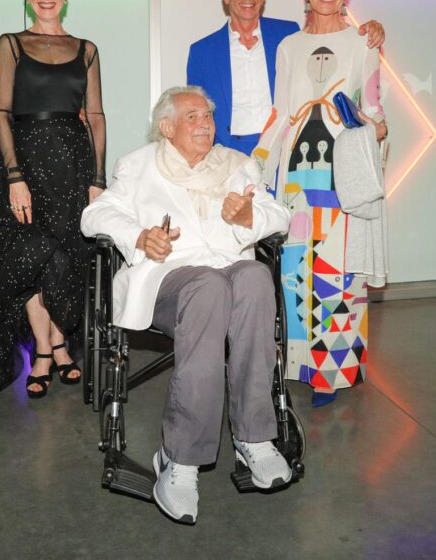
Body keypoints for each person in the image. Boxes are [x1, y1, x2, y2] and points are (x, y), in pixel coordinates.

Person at [81, 86, 291, 525]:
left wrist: (249, 218)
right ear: (167, 127)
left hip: (227, 272)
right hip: (168, 280)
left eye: (209, 117)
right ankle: (179, 459)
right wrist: (139, 237)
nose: (205, 124)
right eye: (192, 117)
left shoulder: (237, 165)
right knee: (209, 285)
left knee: (253, 276)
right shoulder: (139, 166)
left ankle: (254, 437)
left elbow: (279, 215)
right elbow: (95, 215)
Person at [254, 0, 388, 408]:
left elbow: (376, 111)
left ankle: (332, 373)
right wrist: (255, 165)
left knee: (338, 271)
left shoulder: (364, 44)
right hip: (294, 172)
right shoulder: (288, 47)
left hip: (340, 173)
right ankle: (299, 366)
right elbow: (278, 111)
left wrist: (367, 125)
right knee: (294, 271)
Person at [0, 0, 105, 399]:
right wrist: (13, 176)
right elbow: (3, 113)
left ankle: (61, 344)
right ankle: (44, 350)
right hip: (22, 162)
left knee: (65, 257)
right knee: (29, 255)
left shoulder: (86, 50)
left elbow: (97, 116)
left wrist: (98, 177)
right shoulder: (10, 43)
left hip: (71, 165)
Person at [186, 0, 385, 156]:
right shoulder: (202, 52)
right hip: (226, 154)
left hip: (287, 150)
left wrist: (373, 29)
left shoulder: (287, 35)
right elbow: (193, 115)